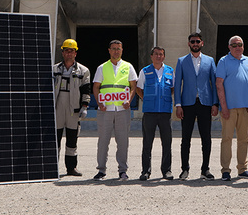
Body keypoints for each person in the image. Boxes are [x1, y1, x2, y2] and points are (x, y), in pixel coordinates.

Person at [174, 32, 218, 180]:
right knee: (185, 138)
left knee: (206, 138)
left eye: (197, 41)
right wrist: (178, 104)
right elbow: (177, 84)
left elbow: (214, 83)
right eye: (192, 41)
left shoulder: (209, 60)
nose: (195, 44)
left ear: (202, 43)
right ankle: (184, 169)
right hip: (187, 104)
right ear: (189, 44)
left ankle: (205, 169)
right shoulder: (182, 61)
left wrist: (215, 103)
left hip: (205, 103)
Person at [93, 39, 138, 181]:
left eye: (118, 48)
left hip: (122, 110)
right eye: (113, 48)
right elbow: (96, 87)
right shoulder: (102, 67)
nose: (116, 51)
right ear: (109, 50)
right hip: (105, 109)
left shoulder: (128, 66)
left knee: (123, 141)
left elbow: (133, 86)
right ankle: (101, 170)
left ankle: (122, 170)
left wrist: (129, 100)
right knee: (103, 141)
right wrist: (99, 103)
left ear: (122, 50)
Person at [216, 35, 248, 181]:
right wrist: (224, 107)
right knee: (227, 139)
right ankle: (225, 170)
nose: (237, 47)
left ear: (243, 46)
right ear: (229, 47)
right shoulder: (223, 61)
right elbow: (219, 84)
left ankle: (242, 169)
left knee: (243, 139)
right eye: (234, 45)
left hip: (245, 107)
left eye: (240, 44)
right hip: (229, 108)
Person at [53, 38, 91, 176]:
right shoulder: (54, 69)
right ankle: (52, 168)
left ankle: (71, 168)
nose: (69, 53)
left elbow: (86, 90)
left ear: (76, 53)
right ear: (62, 52)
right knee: (54, 139)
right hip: (57, 107)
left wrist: (84, 106)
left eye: (72, 51)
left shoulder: (83, 71)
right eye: (66, 50)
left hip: (73, 109)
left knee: (72, 140)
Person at [136, 46, 175, 180]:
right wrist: (147, 99)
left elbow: (172, 88)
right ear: (151, 56)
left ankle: (166, 170)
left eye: (161, 54)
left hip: (165, 112)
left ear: (164, 56)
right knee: (147, 142)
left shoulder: (170, 71)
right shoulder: (145, 71)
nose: (159, 56)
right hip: (149, 112)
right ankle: (145, 171)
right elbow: (139, 88)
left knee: (167, 142)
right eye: (156, 54)